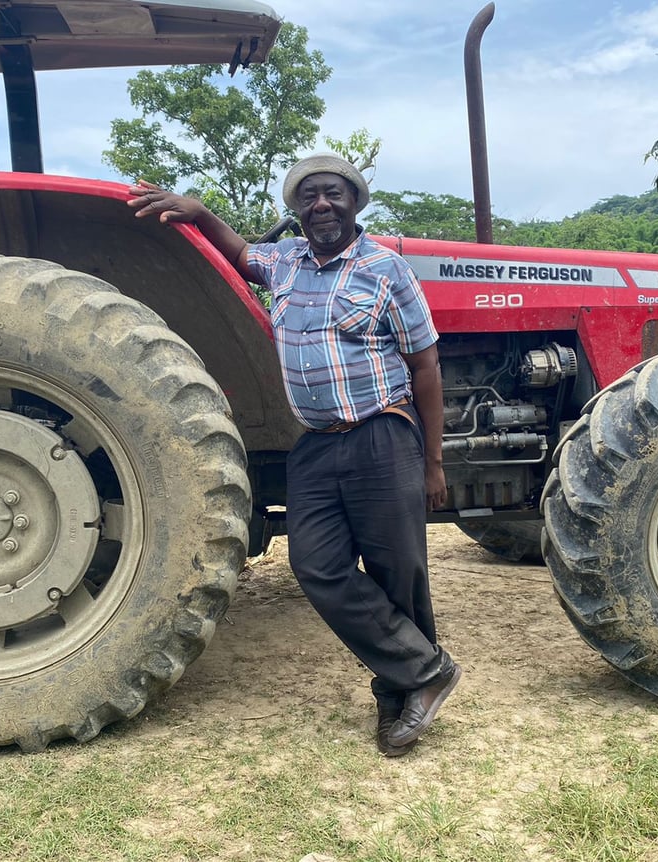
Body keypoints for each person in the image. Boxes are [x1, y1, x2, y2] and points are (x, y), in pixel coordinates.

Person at [127, 153, 460, 756]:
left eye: (332, 194)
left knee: (398, 573)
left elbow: (426, 366)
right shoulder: (283, 263)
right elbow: (238, 252)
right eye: (308, 197)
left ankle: (399, 696)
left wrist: (433, 462)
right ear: (297, 209)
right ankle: (427, 670)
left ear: (354, 202)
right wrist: (199, 211)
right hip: (314, 443)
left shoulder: (387, 270)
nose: (321, 205)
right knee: (314, 566)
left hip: (381, 434)